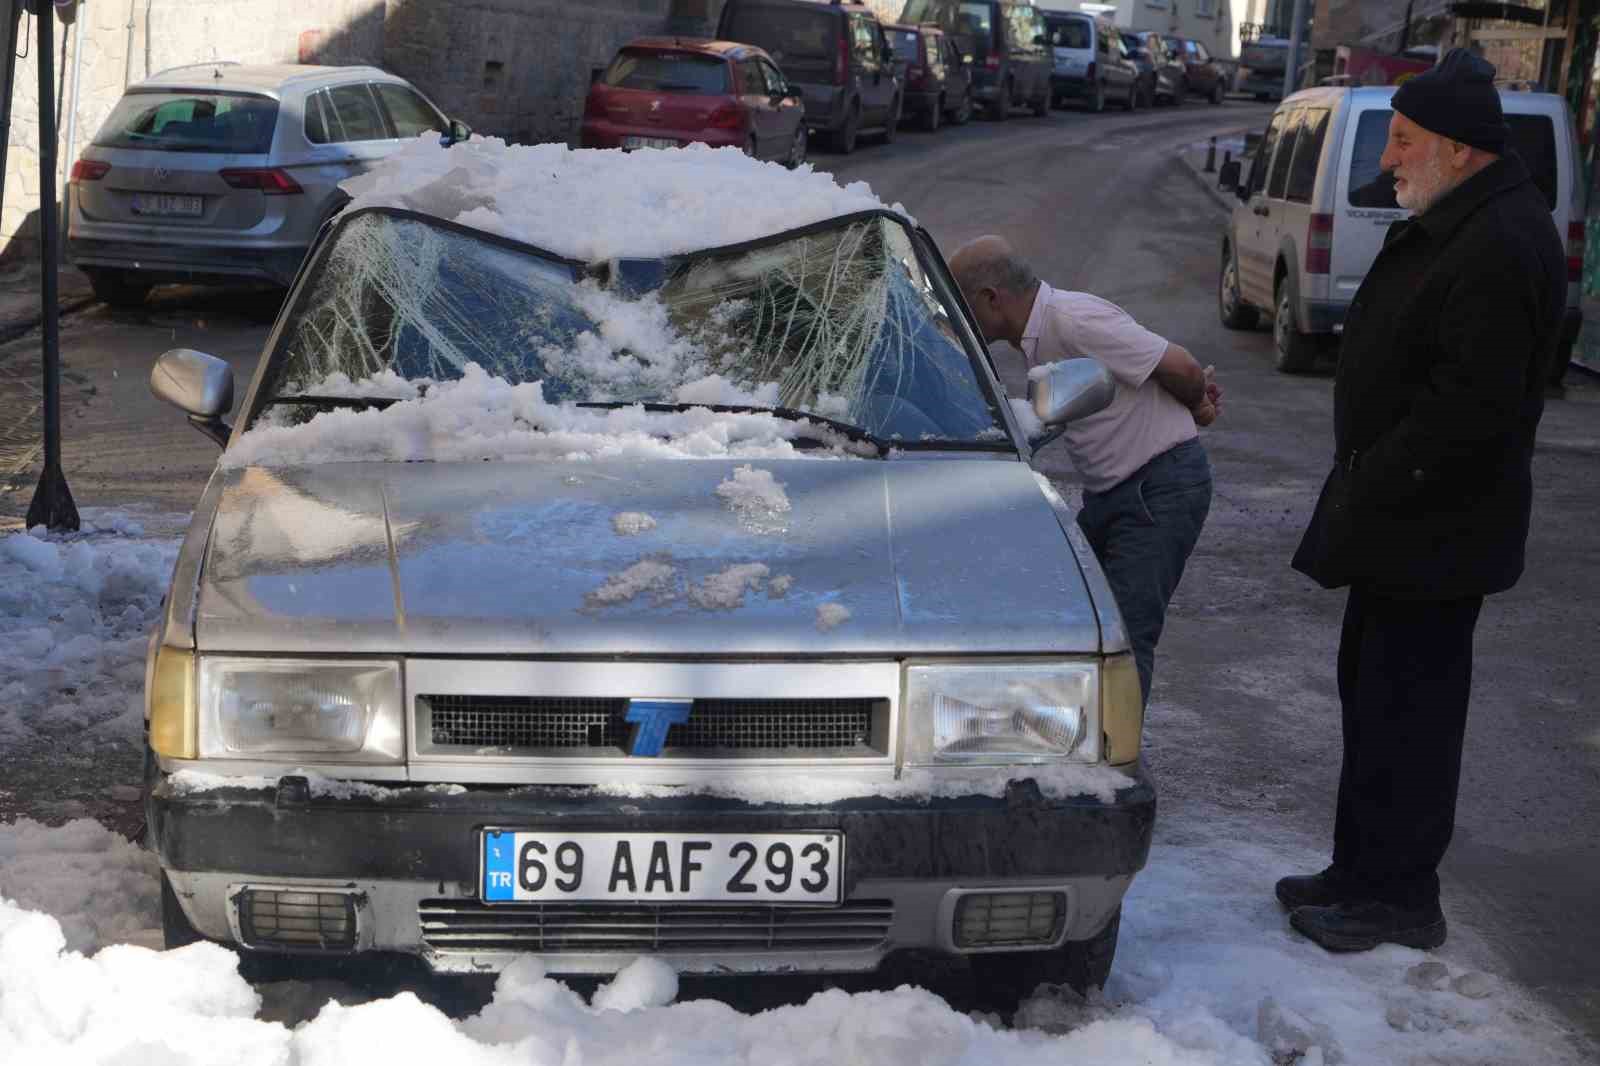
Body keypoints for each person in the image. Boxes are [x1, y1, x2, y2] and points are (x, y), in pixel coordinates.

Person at [1284, 49, 1565, 952]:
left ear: (1456, 147)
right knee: (1374, 701)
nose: (1388, 160)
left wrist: (1375, 479)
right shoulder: (1461, 218)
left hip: (1434, 532)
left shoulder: (1499, 241)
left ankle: (1399, 897)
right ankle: (1359, 872)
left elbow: (1468, 415)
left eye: (1402, 142)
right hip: (1400, 528)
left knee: (1411, 718)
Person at [948, 236, 1221, 706]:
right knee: (1071, 615)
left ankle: (1115, 771)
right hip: (1113, 496)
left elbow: (1182, 365)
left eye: (962, 304)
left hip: (1159, 489)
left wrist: (1196, 402)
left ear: (991, 299)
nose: (958, 318)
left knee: (1124, 639)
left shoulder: (1073, 321)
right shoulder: (1040, 334)